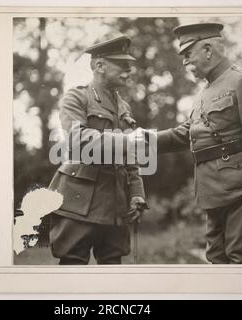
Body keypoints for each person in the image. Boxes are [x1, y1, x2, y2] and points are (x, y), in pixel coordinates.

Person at [141, 23, 242, 264]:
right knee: (216, 259)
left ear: (208, 49)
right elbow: (185, 133)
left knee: (240, 262)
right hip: (212, 191)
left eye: (188, 54)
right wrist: (144, 139)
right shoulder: (203, 94)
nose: (185, 63)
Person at [48, 35, 147, 265]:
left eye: (129, 65)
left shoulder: (123, 106)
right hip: (79, 200)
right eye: (122, 65)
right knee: (73, 267)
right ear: (99, 66)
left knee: (112, 270)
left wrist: (137, 193)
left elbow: (130, 156)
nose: (128, 70)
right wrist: (128, 140)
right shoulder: (76, 97)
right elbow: (78, 141)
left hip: (115, 204)